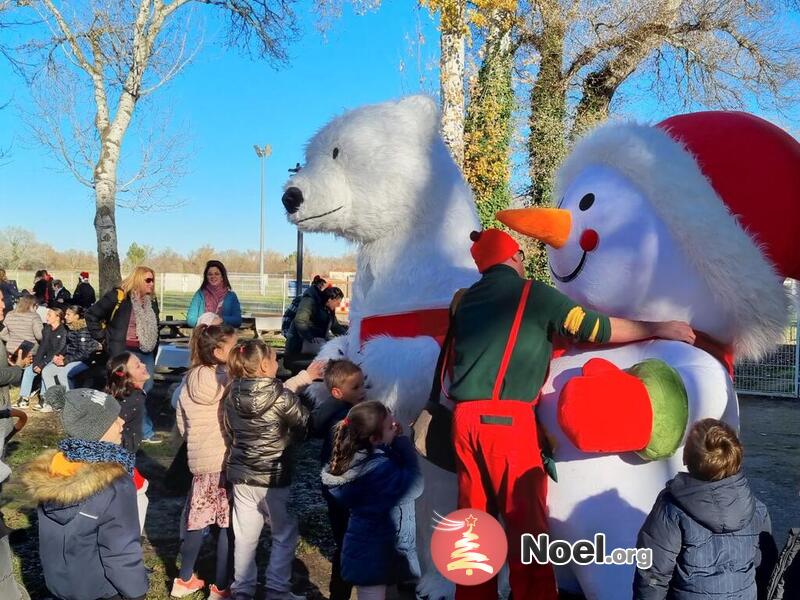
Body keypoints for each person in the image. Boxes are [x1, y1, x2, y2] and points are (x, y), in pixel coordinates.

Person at [447, 229, 696, 600]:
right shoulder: (531, 293)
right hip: (507, 422)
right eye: (521, 256)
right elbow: (595, 327)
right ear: (514, 257)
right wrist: (658, 327)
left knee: (473, 522)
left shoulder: (465, 301)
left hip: (463, 420)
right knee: (526, 526)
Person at [22, 388, 149, 600]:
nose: (121, 422)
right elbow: (121, 549)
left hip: (59, 585)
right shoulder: (115, 482)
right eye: (112, 419)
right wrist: (136, 592)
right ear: (94, 429)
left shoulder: (54, 468)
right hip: (103, 590)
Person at [225, 338, 324, 600]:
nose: (279, 361)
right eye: (274, 357)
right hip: (275, 477)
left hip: (242, 476)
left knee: (245, 537)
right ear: (265, 366)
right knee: (284, 533)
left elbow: (229, 430)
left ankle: (242, 590)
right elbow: (305, 427)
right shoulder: (281, 396)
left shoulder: (231, 393)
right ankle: (277, 589)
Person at [633, 418, 776, 599]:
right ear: (736, 459)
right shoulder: (756, 508)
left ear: (686, 458)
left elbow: (653, 575)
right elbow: (765, 567)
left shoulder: (671, 510)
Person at [321, 401, 423, 600]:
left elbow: (385, 461)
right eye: (391, 426)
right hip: (378, 555)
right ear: (375, 438)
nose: (395, 427)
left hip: (366, 551)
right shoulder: (378, 470)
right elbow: (415, 486)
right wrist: (402, 444)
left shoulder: (359, 460)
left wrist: (391, 441)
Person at [172, 324, 238, 598]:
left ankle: (184, 579)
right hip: (223, 460)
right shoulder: (229, 381)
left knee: (196, 521)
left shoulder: (189, 381)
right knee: (225, 525)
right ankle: (221, 587)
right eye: (235, 347)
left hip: (199, 463)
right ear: (220, 351)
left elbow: (181, 422)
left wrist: (196, 444)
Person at [310, 359, 366, 600]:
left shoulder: (328, 411)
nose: (363, 391)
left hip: (333, 488)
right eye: (356, 388)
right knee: (349, 545)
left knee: (343, 539)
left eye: (363, 385)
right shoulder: (348, 419)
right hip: (347, 489)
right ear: (337, 392)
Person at [87, 266, 160, 442]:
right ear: (137, 280)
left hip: (145, 350)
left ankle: (134, 425)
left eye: (153, 280)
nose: (151, 284)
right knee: (124, 388)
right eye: (148, 280)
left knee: (146, 387)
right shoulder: (119, 296)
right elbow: (92, 315)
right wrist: (104, 338)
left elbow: (155, 326)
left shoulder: (151, 302)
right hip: (124, 350)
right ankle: (141, 430)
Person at [40, 305, 99, 398]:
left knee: (64, 374)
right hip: (71, 358)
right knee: (47, 371)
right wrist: (61, 356)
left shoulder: (82, 330)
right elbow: (69, 347)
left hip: (83, 361)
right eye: (66, 314)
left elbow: (83, 353)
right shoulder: (70, 328)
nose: (65, 316)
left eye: (68, 314)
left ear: (76, 316)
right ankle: (53, 400)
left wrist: (65, 360)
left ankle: (70, 402)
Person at [285, 286, 347, 371]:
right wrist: (310, 338)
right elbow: (300, 321)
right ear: (330, 299)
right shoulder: (310, 302)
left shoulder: (328, 310)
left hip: (313, 349)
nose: (339, 305)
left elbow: (335, 326)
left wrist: (348, 336)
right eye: (337, 302)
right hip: (299, 349)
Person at [18, 307, 67, 409]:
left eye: (49, 315)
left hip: (57, 358)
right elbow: (42, 347)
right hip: (46, 357)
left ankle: (44, 398)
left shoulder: (63, 331)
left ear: (57, 317)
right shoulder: (47, 329)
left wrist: (42, 364)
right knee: (29, 370)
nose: (46, 317)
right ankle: (24, 398)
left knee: (45, 370)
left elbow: (57, 351)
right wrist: (36, 363)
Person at [186, 260, 242, 328]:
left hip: (223, 335)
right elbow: (190, 319)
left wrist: (221, 320)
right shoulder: (199, 295)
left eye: (217, 274)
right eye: (210, 274)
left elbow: (237, 320)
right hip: (203, 335)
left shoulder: (231, 296)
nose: (213, 276)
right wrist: (206, 322)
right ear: (206, 277)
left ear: (222, 277)